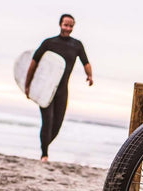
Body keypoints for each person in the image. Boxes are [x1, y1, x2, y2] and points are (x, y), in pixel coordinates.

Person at [24, 13, 93, 162]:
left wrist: (90, 75)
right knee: (47, 121)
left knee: (57, 124)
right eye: (65, 25)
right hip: (45, 89)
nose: (68, 28)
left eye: (71, 25)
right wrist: (28, 84)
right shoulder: (49, 43)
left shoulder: (77, 45)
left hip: (62, 90)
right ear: (60, 24)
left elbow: (85, 62)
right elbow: (34, 62)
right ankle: (44, 154)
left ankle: (44, 146)